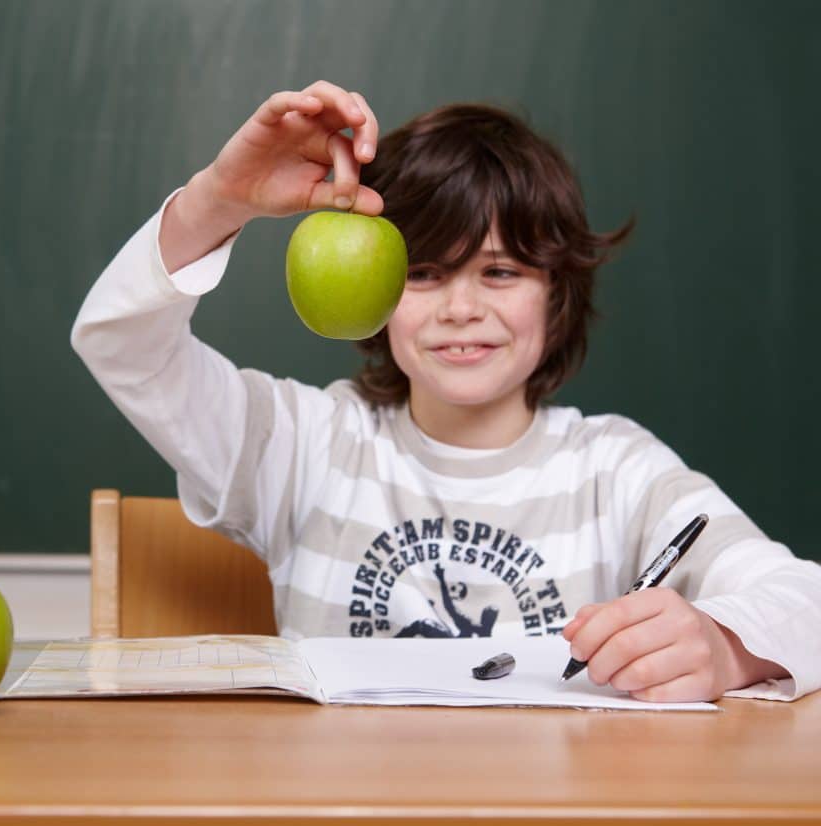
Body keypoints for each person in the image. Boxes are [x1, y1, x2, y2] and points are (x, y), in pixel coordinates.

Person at [71, 80, 821, 703]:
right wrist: (220, 199)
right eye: (425, 272)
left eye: (500, 271)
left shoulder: (615, 471)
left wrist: (722, 648)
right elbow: (122, 345)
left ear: (557, 291)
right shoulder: (304, 445)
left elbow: (805, 601)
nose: (462, 308)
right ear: (383, 286)